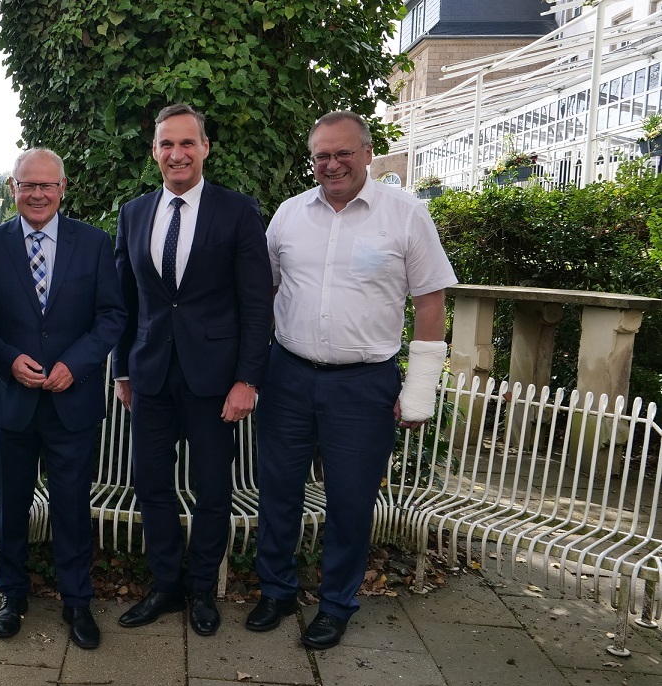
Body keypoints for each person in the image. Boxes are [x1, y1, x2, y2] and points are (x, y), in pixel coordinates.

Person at [248, 110, 456, 650]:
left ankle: (337, 603)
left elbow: (430, 303)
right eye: (321, 155)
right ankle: (276, 590)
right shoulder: (289, 215)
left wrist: (419, 389)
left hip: (363, 385)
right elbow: (264, 295)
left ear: (367, 153)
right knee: (278, 492)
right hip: (288, 375)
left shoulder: (407, 215)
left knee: (349, 499)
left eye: (343, 153)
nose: (332, 164)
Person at [112, 103, 273, 636]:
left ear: (205, 147)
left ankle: (202, 587)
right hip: (151, 375)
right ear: (154, 151)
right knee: (150, 483)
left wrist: (248, 379)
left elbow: (256, 303)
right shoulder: (133, 213)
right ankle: (166, 586)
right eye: (166, 144)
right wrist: (122, 370)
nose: (176, 153)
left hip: (215, 380)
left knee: (211, 488)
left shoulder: (237, 210)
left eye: (187, 143)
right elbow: (127, 302)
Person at [0, 148, 126, 650]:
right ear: (13, 189)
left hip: (72, 403)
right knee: (10, 506)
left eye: (47, 185)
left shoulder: (94, 244)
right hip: (11, 404)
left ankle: (77, 601)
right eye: (27, 185)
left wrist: (75, 364)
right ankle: (12, 596)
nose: (37, 194)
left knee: (71, 507)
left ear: (64, 188)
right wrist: (6, 360)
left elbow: (111, 316)